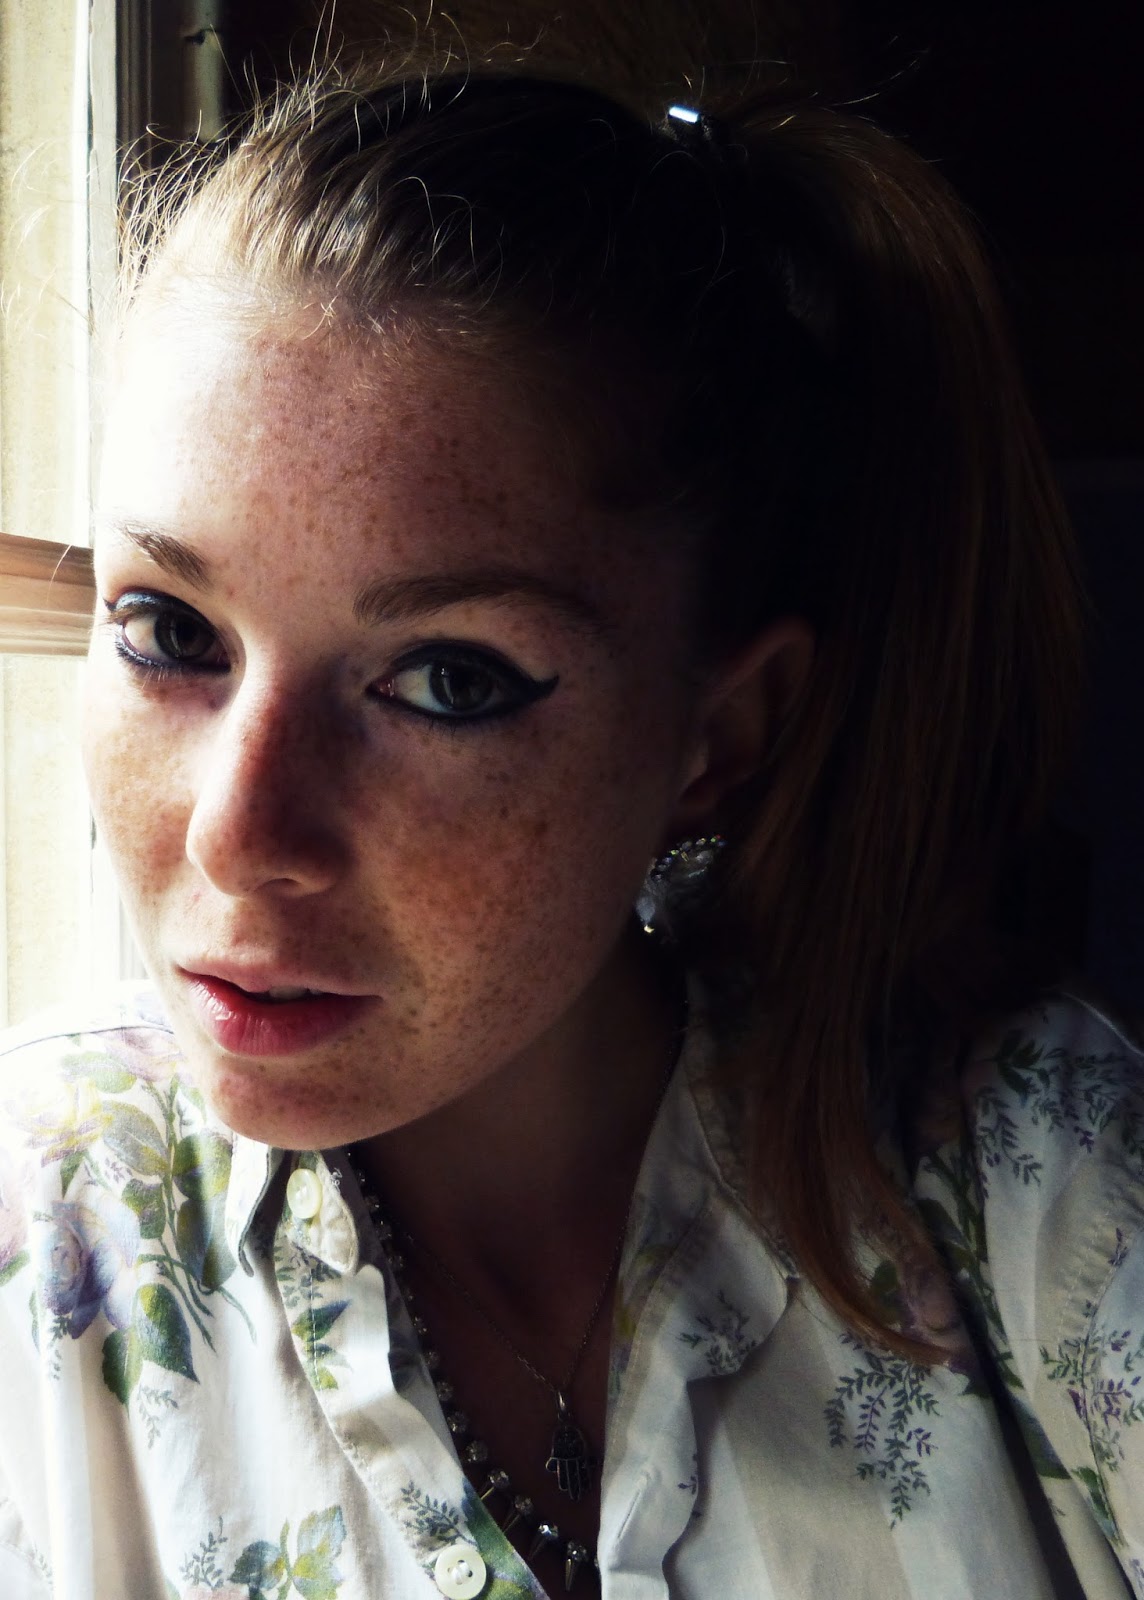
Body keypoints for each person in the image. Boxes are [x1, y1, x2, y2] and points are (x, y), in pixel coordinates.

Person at [0, 56, 1140, 1600]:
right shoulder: (35, 1258)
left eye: (447, 680)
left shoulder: (1039, 1186)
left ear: (717, 738)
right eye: (168, 630)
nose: (238, 832)